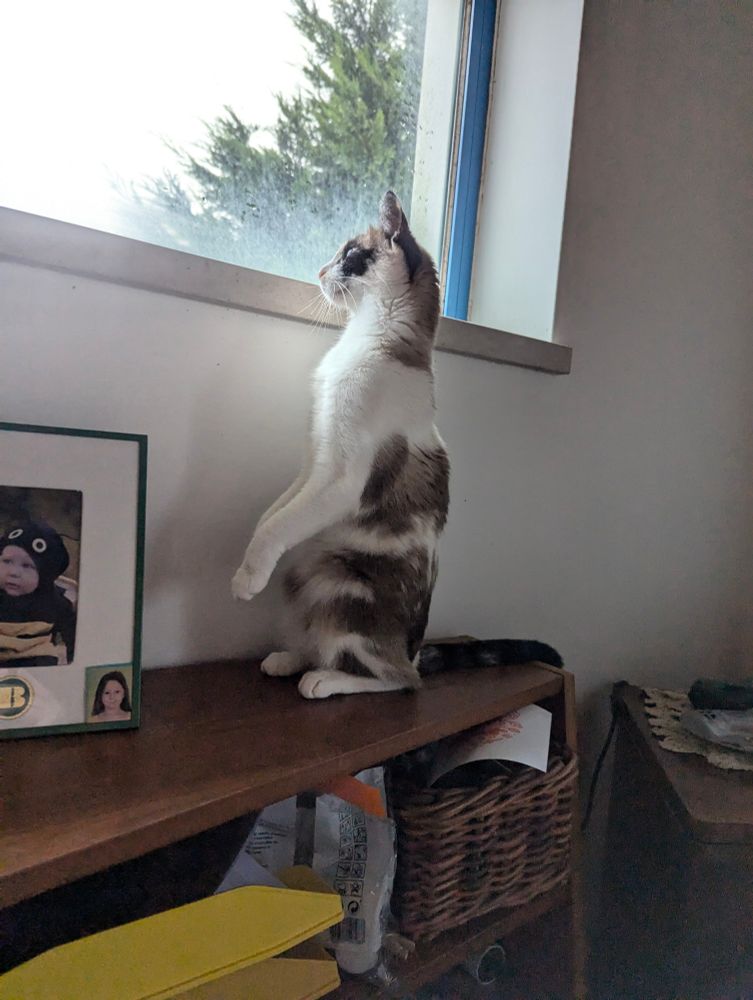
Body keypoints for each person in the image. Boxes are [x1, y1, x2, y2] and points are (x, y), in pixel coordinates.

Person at [0, 521, 77, 666]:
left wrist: (74, 660)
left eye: (27, 565)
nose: (13, 572)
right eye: (7, 561)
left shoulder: (55, 601)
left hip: (34, 654)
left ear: (45, 575)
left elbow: (71, 631)